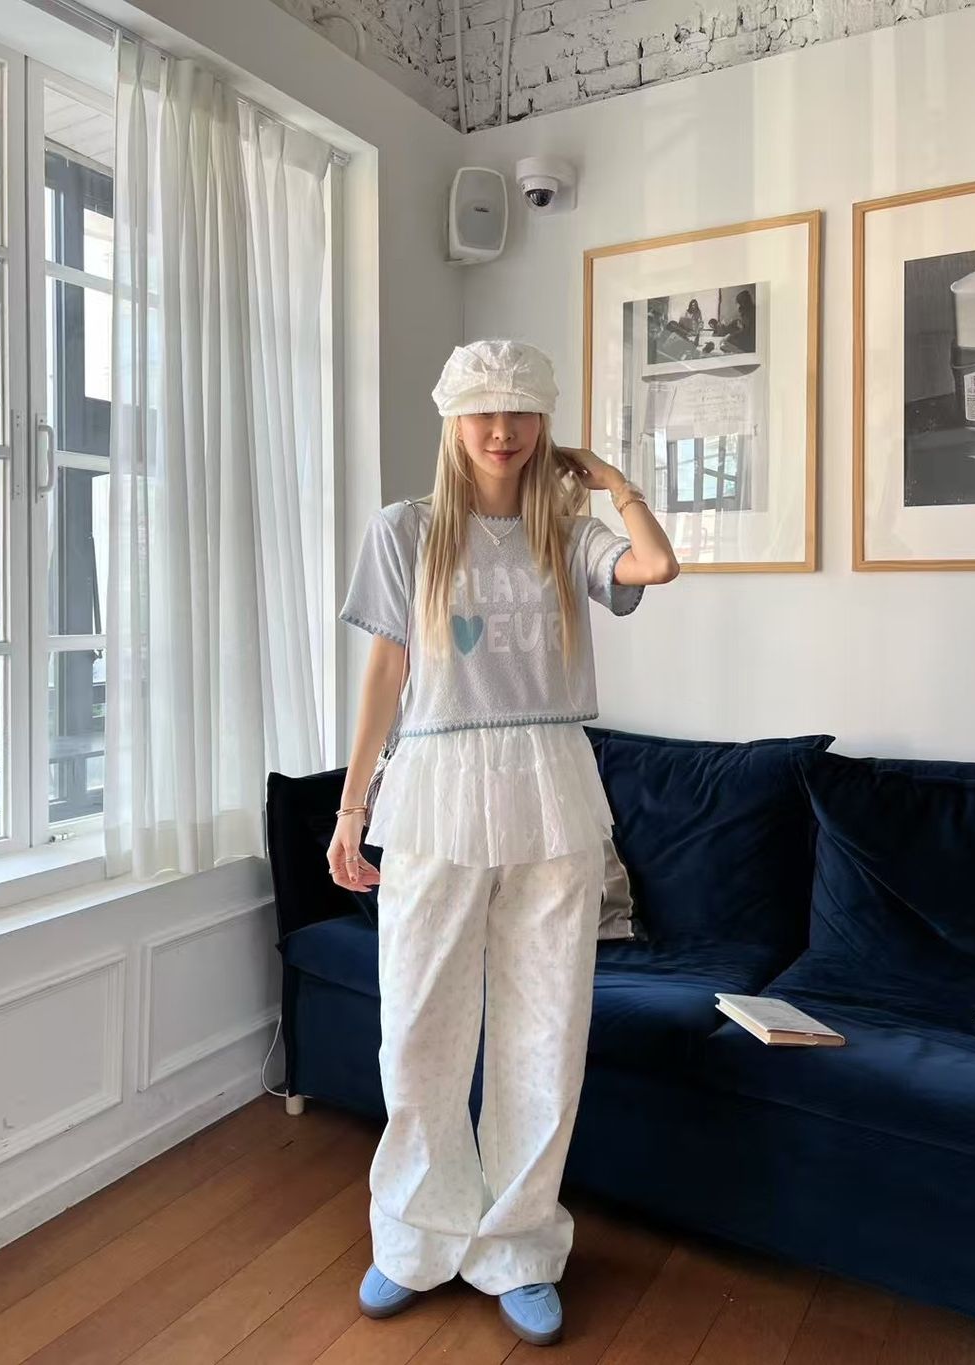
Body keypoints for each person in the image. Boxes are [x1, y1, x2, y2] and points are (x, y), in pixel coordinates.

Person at [330, 339, 680, 1347]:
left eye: (521, 410)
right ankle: (413, 1237)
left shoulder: (566, 532)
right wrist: (351, 810)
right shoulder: (404, 530)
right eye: (483, 410)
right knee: (419, 1026)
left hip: (549, 790)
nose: (502, 429)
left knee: (544, 1028)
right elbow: (385, 675)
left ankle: (519, 1246)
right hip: (433, 790)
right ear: (453, 420)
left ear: (543, 421)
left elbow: (655, 564)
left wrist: (606, 478)